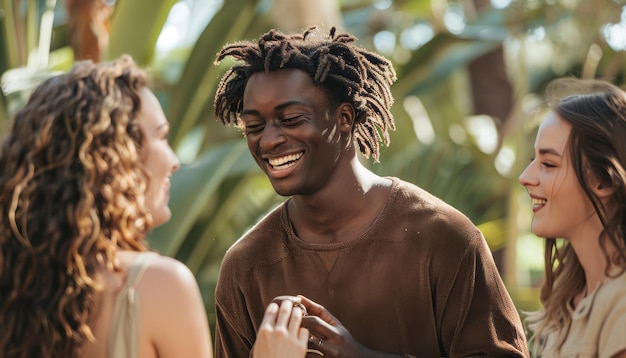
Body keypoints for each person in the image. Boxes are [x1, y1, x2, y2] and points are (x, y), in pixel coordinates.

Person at [213, 26, 529, 357]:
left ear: (344, 118)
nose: (268, 140)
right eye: (254, 127)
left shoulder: (443, 236)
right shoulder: (246, 266)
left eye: (290, 119)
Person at [0, 56, 308, 358]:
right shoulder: (159, 286)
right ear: (116, 156)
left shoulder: (17, 291)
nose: (174, 162)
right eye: (160, 136)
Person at [519, 78, 626, 358]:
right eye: (534, 160)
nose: (526, 177)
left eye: (549, 164)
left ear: (603, 181)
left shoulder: (621, 305)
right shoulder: (569, 300)